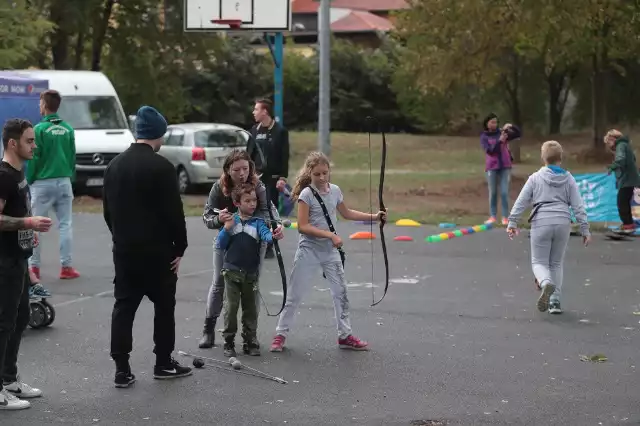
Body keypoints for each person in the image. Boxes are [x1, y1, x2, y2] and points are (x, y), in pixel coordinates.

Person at [103, 106, 191, 389]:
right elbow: (173, 213)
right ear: (159, 133)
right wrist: (180, 248)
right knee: (164, 307)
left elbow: (108, 211)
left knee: (124, 307)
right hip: (158, 252)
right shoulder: (163, 168)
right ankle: (163, 362)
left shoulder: (114, 166)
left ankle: (121, 368)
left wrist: (119, 237)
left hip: (125, 250)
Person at [269, 152, 386, 353]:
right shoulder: (306, 195)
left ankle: (345, 335)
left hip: (330, 252)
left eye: (325, 173)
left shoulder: (335, 191)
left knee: (340, 293)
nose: (322, 178)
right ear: (310, 173)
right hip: (309, 249)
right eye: (317, 174)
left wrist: (375, 217)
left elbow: (347, 213)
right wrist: (330, 235)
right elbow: (303, 226)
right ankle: (280, 334)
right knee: (295, 294)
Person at [198, 149, 284, 349]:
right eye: (236, 170)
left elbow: (271, 213)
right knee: (219, 282)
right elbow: (207, 216)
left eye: (245, 168)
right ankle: (208, 329)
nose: (242, 173)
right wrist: (218, 219)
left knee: (252, 284)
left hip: (255, 239)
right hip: (228, 239)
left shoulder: (258, 186)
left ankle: (250, 335)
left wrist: (274, 228)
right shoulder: (219, 188)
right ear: (228, 170)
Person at [0, 118, 53, 410]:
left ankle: (9, 379)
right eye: (30, 141)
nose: (35, 145)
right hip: (4, 262)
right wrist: (27, 222)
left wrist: (26, 233)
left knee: (20, 319)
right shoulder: (3, 175)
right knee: (4, 323)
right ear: (13, 143)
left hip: (18, 259)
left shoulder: (20, 174)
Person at [506, 141, 591, 315]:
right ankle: (555, 302)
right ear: (561, 158)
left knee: (538, 262)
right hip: (562, 222)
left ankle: (545, 283)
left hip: (541, 221)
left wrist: (513, 222)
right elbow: (578, 206)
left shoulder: (535, 178)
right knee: (556, 263)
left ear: (543, 158)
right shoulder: (569, 178)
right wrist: (585, 228)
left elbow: (522, 201)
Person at [27, 90, 79, 282]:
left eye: (40, 103)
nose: (39, 106)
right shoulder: (68, 129)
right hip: (64, 181)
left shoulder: (39, 130)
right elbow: (72, 157)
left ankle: (35, 268)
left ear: (45, 105)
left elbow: (34, 158)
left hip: (42, 183)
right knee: (65, 224)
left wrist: (30, 179)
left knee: (35, 226)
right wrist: (69, 178)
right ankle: (66, 267)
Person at [217, 183, 273, 357]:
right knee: (231, 308)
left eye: (254, 200)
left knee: (250, 309)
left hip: (250, 275)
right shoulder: (230, 221)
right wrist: (226, 228)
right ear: (237, 203)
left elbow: (267, 236)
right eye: (247, 200)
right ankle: (228, 341)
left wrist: (274, 235)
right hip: (231, 273)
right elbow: (220, 243)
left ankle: (250, 340)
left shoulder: (259, 223)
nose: (252, 204)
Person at [247, 98, 290, 259]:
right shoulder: (254, 130)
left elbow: (284, 157)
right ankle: (255, 241)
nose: (254, 112)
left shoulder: (280, 131)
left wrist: (282, 178)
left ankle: (270, 244)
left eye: (256, 109)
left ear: (265, 111)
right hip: (254, 179)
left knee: (269, 212)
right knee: (253, 209)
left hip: (271, 179)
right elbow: (248, 155)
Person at [480, 113, 521, 226]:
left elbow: (518, 134)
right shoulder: (484, 136)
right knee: (493, 192)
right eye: (492, 122)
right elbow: (491, 151)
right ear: (487, 123)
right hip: (492, 167)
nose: (494, 124)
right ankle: (493, 216)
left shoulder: (502, 132)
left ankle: (505, 217)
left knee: (504, 192)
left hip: (505, 166)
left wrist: (511, 126)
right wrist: (500, 141)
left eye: (496, 122)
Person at [604, 129, 640, 233]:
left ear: (612, 139)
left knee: (622, 202)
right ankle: (628, 224)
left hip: (627, 180)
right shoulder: (626, 145)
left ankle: (628, 225)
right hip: (629, 179)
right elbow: (632, 159)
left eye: (609, 142)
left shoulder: (621, 145)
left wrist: (613, 166)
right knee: (624, 202)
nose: (609, 146)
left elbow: (621, 159)